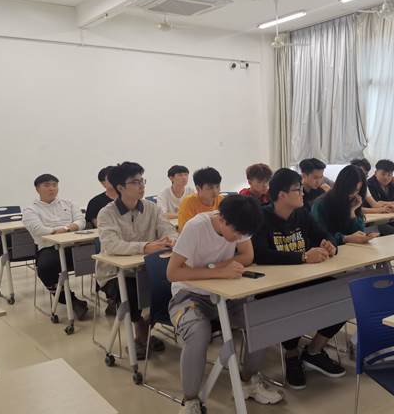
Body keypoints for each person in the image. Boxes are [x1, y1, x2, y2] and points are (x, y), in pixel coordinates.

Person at [167, 195, 283, 413]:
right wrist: (217, 271)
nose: (239, 238)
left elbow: (247, 255)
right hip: (189, 294)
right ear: (221, 219)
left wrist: (220, 267)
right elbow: (172, 273)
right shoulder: (196, 227)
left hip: (226, 294)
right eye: (236, 233)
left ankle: (249, 381)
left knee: (259, 321)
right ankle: (190, 400)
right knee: (198, 333)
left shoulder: (240, 223)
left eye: (243, 235)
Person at [252, 168, 346, 390]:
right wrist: (302, 257)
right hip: (273, 285)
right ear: (282, 195)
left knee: (345, 294)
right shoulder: (261, 217)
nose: (303, 193)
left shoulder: (302, 214)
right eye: (298, 190)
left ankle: (314, 351)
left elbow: (324, 234)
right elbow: (259, 254)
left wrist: (329, 244)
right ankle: (291, 355)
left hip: (305, 278)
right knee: (292, 303)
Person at [97, 161, 178, 359]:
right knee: (132, 293)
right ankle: (141, 334)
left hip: (148, 269)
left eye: (142, 181)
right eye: (135, 182)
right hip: (116, 273)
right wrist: (145, 247)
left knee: (172, 285)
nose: (141, 186)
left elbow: (168, 230)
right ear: (120, 188)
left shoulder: (152, 208)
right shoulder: (107, 213)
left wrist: (171, 240)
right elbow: (112, 245)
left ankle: (149, 328)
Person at [22, 174, 88, 319]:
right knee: (45, 268)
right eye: (47, 185)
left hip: (74, 245)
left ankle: (112, 297)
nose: (51, 188)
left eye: (54, 185)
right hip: (50, 248)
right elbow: (39, 230)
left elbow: (81, 222)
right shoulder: (30, 210)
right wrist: (66, 228)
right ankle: (71, 300)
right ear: (37, 189)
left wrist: (63, 229)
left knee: (101, 258)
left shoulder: (69, 203)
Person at [311, 165, 379, 245]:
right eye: (350, 189)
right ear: (341, 186)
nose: (352, 194)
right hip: (330, 249)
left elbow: (359, 233)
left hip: (350, 247)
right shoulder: (321, 204)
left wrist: (352, 212)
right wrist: (345, 238)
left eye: (357, 190)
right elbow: (320, 236)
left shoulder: (354, 201)